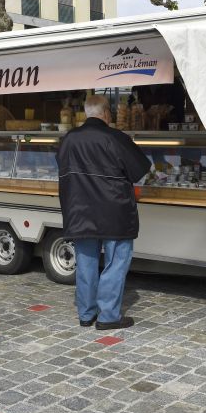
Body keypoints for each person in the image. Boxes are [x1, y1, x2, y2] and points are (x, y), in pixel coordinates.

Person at [56, 94, 151, 330]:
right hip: (114, 212)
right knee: (116, 263)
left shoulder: (69, 139)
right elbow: (140, 170)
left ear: (87, 113)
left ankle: (86, 314)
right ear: (106, 113)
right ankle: (108, 316)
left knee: (86, 263)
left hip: (80, 211)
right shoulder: (116, 138)